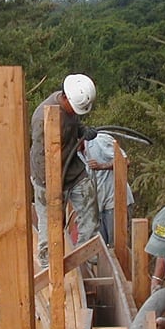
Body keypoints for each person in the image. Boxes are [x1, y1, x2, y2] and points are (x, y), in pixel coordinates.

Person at [30, 73, 100, 268]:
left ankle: (85, 258)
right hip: (47, 177)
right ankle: (48, 268)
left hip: (72, 169)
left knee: (89, 208)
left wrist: (83, 132)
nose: (77, 112)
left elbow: (75, 126)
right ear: (66, 98)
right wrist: (52, 189)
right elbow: (40, 156)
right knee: (50, 225)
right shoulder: (42, 118)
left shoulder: (70, 104)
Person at [79, 132, 135, 246]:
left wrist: (101, 166)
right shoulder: (78, 154)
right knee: (102, 248)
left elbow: (124, 161)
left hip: (115, 202)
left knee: (118, 246)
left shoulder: (99, 140)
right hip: (98, 206)